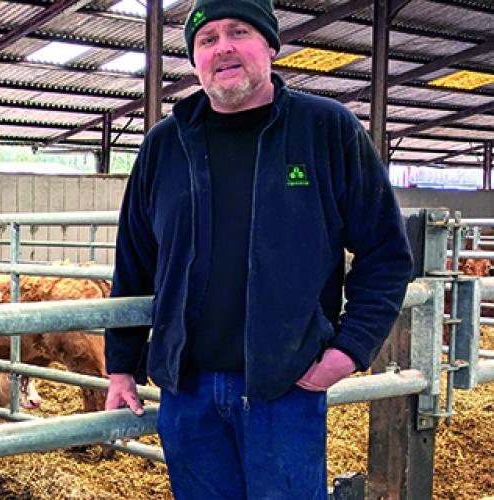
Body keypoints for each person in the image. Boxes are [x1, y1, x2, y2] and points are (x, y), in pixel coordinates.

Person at [102, 0, 414, 497]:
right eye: (207, 39)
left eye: (238, 31)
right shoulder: (164, 144)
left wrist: (348, 351)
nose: (222, 46)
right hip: (187, 391)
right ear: (195, 58)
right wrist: (120, 363)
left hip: (284, 386)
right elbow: (135, 261)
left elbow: (386, 254)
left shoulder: (326, 130)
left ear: (269, 44)